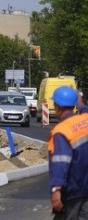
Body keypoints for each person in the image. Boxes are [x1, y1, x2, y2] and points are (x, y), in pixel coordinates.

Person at [48, 86, 88, 219]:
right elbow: (85, 111)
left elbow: (61, 162)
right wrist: (81, 104)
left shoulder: (61, 131)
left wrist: (56, 190)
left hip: (72, 190)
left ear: (57, 106)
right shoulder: (85, 120)